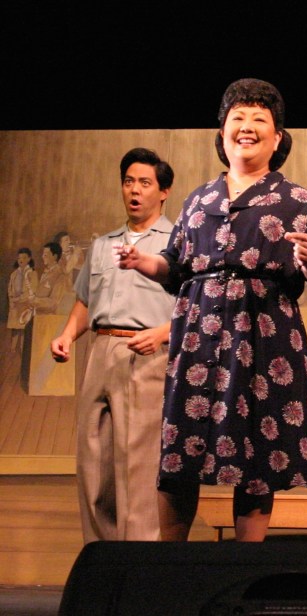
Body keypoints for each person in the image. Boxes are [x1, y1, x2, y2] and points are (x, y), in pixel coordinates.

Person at [115, 78, 307, 542]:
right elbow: (175, 268)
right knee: (180, 448)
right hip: (199, 337)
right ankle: (169, 564)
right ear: (222, 134)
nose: (247, 126)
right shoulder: (198, 199)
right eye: (237, 117)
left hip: (265, 336)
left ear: (278, 138)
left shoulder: (300, 202)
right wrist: (144, 262)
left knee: (258, 453)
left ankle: (247, 564)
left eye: (260, 119)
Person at [50, 147, 176, 543]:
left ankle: (141, 563)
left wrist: (163, 334)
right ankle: (101, 558)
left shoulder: (177, 244)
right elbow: (86, 300)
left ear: (163, 191)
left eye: (144, 183)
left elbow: (198, 308)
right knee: (94, 463)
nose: (134, 190)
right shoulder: (103, 244)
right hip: (100, 352)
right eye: (128, 181)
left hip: (148, 352)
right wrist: (68, 335)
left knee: (137, 465)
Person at [6, 247, 38, 351]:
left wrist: (20, 299)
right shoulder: (14, 274)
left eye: (24, 258)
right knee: (15, 329)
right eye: (19, 258)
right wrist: (12, 299)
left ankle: (22, 348)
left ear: (29, 259)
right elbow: (10, 289)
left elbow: (32, 290)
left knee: (24, 328)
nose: (21, 260)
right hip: (15, 305)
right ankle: (12, 349)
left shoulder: (32, 273)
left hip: (25, 305)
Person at [31, 242, 67, 315]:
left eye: (46, 255)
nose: (42, 256)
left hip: (49, 320)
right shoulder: (45, 273)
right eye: (43, 254)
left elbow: (54, 303)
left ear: (55, 257)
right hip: (38, 317)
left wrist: (36, 301)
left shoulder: (60, 275)